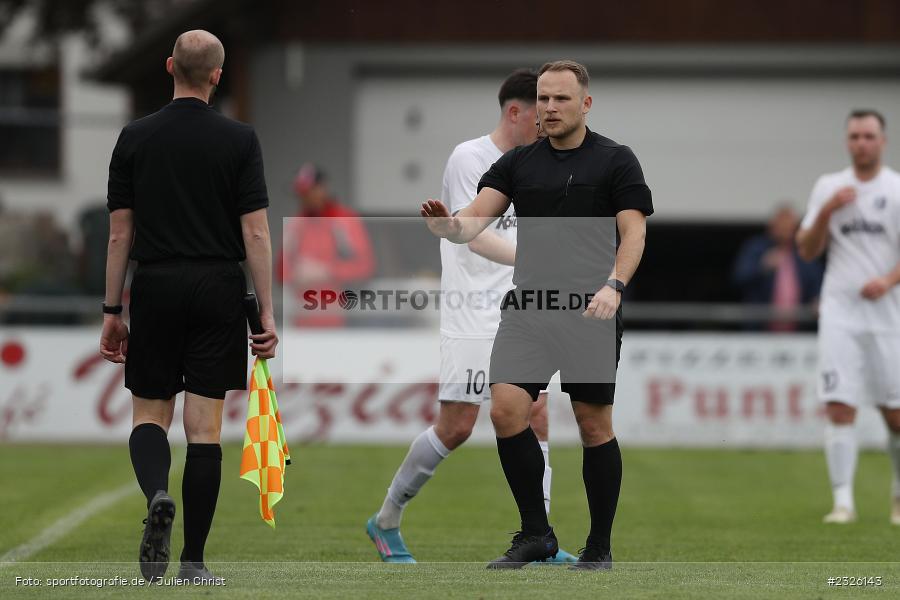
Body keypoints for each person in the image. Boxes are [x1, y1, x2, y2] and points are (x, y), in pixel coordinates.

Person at [422, 60, 653, 570]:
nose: (548, 108)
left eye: (560, 99)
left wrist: (615, 284)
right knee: (506, 411)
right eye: (543, 99)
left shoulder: (617, 160)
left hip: (591, 309)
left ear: (585, 104)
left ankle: (599, 548)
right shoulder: (519, 163)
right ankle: (536, 534)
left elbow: (634, 233)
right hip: (528, 307)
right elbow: (473, 222)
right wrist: (449, 226)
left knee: (593, 425)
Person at [366, 69, 575, 564]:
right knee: (457, 426)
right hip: (472, 313)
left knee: (538, 415)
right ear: (515, 112)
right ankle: (386, 519)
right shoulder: (471, 158)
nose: (546, 125)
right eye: (539, 114)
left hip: (522, 310)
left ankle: (540, 537)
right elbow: (472, 232)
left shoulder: (539, 164)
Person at [99, 30, 278, 583]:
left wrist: (112, 309)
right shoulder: (240, 139)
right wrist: (267, 312)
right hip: (218, 287)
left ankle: (157, 493)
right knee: (205, 430)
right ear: (218, 75)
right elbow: (256, 234)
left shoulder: (134, 137)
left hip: (156, 284)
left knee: (150, 415)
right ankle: (194, 562)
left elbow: (118, 235)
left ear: (170, 65)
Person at [796, 109, 900, 526]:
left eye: (869, 136)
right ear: (847, 141)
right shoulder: (830, 187)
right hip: (840, 311)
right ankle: (843, 503)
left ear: (883, 141)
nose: (862, 143)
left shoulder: (895, 189)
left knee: (894, 413)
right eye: (855, 136)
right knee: (839, 406)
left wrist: (889, 281)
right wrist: (826, 212)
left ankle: (897, 497)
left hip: (889, 314)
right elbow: (807, 249)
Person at [278, 163, 374, 327]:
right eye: (300, 194)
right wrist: (297, 273)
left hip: (341, 320)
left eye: (308, 192)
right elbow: (281, 272)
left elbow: (365, 267)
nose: (304, 199)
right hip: (302, 320)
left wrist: (326, 271)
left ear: (323, 189)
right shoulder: (296, 224)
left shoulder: (344, 221)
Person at [731, 205, 824, 330]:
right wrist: (762, 266)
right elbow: (739, 278)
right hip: (760, 329)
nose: (785, 231)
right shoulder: (756, 248)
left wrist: (817, 299)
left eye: (789, 227)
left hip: (797, 332)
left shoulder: (803, 253)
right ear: (772, 227)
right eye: (781, 227)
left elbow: (817, 284)